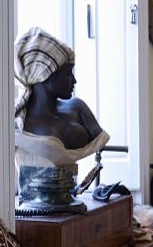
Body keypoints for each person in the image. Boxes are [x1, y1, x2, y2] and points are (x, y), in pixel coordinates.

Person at [14, 26, 109, 171]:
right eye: (68, 74)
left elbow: (98, 137)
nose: (74, 80)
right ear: (44, 74)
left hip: (71, 190)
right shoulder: (20, 125)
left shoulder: (77, 107)